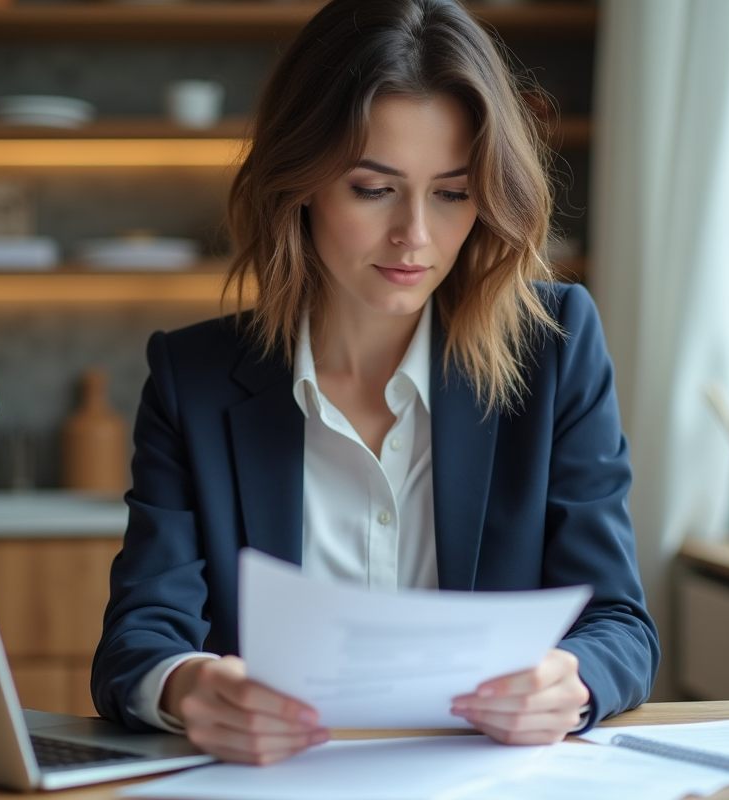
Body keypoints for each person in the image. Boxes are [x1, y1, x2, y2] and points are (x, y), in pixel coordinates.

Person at [92, 0, 659, 766]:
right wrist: (188, 687)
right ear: (299, 183)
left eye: (453, 193)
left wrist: (574, 680)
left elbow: (620, 622)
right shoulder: (192, 379)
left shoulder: (554, 350)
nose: (415, 237)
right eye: (372, 188)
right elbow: (137, 639)